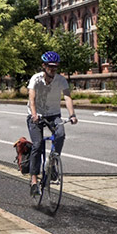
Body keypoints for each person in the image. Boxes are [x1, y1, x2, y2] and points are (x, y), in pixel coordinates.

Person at [26, 51, 77, 197]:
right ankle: (34, 180)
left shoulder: (61, 80)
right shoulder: (35, 79)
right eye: (50, 66)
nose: (53, 69)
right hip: (36, 115)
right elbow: (32, 98)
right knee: (37, 145)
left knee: (60, 134)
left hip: (54, 114)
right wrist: (34, 115)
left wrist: (72, 115)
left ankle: (53, 162)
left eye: (55, 66)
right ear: (44, 66)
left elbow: (67, 97)